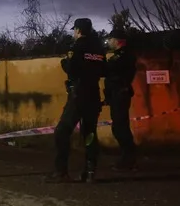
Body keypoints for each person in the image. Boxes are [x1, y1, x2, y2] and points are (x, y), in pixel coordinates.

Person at [47, 17, 106, 183]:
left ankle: (61, 171)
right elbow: (103, 70)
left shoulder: (77, 46)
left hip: (78, 94)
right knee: (90, 133)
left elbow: (71, 68)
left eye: (74, 30)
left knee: (62, 131)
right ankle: (90, 171)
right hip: (93, 95)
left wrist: (64, 63)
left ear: (78, 30)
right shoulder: (99, 48)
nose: (74, 33)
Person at [104, 29, 138, 170]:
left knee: (120, 127)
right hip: (116, 94)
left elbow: (108, 69)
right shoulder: (120, 56)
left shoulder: (123, 56)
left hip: (120, 94)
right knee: (119, 126)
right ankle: (127, 158)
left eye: (111, 39)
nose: (109, 41)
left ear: (118, 40)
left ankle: (128, 159)